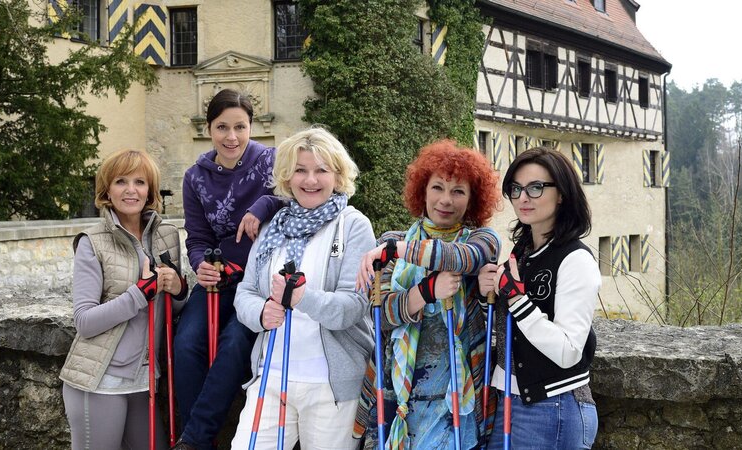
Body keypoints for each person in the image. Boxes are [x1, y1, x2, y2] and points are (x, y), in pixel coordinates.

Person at [229, 126, 376, 449]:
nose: (310, 180)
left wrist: (303, 298)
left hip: (331, 386)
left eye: (321, 170)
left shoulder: (353, 226)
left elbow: (354, 307)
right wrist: (262, 312)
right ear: (287, 176)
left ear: (337, 176)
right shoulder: (273, 227)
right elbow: (246, 293)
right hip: (271, 376)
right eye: (300, 170)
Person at [353, 140, 502, 450]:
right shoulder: (392, 241)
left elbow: (461, 258)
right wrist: (428, 291)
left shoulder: (481, 240)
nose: (446, 200)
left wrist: (399, 251)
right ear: (422, 191)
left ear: (473, 199)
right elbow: (381, 315)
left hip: (457, 403)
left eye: (458, 191)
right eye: (437, 187)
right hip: (397, 397)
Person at [173, 89, 282, 450]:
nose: (231, 137)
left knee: (235, 341)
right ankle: (195, 439)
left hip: (260, 279)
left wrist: (262, 205)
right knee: (186, 343)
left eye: (240, 127)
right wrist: (200, 265)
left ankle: (194, 440)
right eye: (222, 127)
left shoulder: (272, 161)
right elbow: (197, 237)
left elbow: (294, 196)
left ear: (252, 126)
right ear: (209, 129)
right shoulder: (195, 177)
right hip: (218, 278)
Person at [60, 149, 187, 450]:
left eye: (139, 182)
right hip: (99, 381)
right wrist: (139, 294)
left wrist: (178, 289)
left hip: (145, 381)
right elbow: (85, 321)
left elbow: (173, 309)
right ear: (107, 190)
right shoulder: (92, 242)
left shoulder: (167, 236)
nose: (131, 190)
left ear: (150, 190)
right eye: (121, 181)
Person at [478, 147, 601, 449]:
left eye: (535, 187)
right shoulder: (523, 253)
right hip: (508, 399)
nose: (523, 197)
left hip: (552, 405)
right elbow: (507, 329)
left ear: (561, 194)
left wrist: (517, 299)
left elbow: (569, 351)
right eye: (516, 189)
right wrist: (487, 296)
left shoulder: (576, 259)